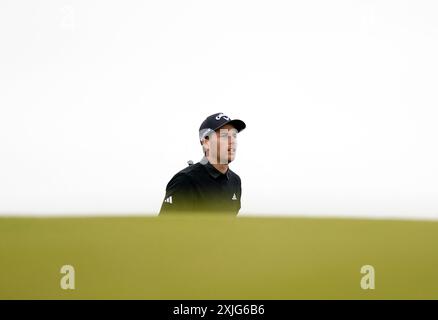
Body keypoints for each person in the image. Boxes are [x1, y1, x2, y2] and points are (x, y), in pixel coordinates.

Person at [159, 112, 246, 215]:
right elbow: (165, 228)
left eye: (234, 135)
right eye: (224, 135)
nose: (232, 141)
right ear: (206, 142)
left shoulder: (235, 181)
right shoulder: (185, 181)